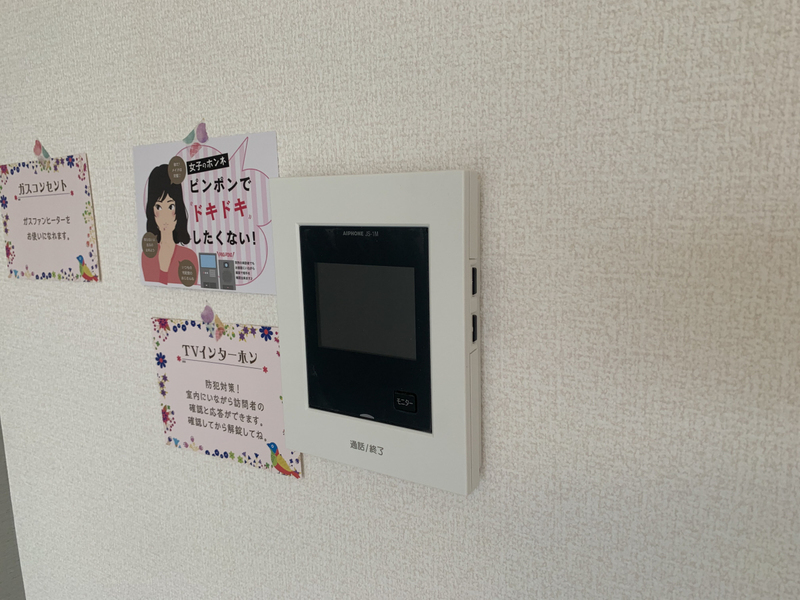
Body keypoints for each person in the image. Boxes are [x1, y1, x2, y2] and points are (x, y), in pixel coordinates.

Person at [141, 164, 198, 285]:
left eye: (171, 206)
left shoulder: (189, 257)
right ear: (152, 210)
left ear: (178, 209)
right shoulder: (147, 256)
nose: (165, 217)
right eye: (158, 207)